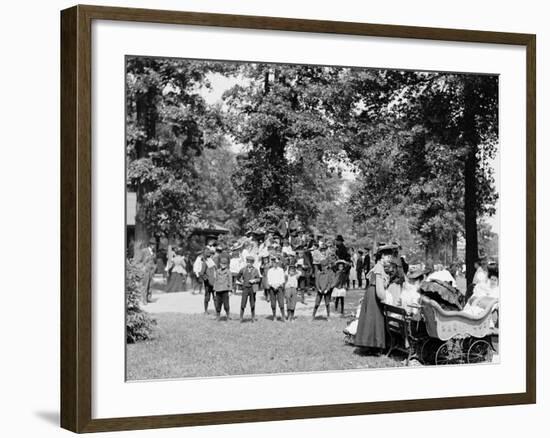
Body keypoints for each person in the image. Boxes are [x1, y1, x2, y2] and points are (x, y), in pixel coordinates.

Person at [354, 244, 396, 353]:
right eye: (388, 257)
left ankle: (371, 345)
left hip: (372, 293)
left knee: (372, 319)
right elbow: (379, 289)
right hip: (374, 294)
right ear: (382, 256)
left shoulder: (380, 267)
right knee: (373, 319)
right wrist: (385, 297)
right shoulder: (378, 268)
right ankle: (372, 345)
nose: (389, 259)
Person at [238, 255, 261, 322]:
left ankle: (253, 317)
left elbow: (259, 279)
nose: (249, 264)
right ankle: (241, 317)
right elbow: (238, 276)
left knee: (252, 303)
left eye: (250, 263)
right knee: (243, 303)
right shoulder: (243, 269)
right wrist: (241, 281)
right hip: (245, 288)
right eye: (248, 262)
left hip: (252, 288)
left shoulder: (255, 270)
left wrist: (254, 280)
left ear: (252, 263)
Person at [134, 240, 156, 304]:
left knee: (150, 284)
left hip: (151, 269)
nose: (154, 246)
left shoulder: (153, 252)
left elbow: (154, 260)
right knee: (145, 284)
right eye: (153, 244)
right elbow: (139, 260)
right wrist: (142, 267)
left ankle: (149, 298)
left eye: (154, 245)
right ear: (150, 245)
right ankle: (144, 299)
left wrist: (154, 267)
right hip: (146, 269)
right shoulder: (144, 251)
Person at [213, 256, 232, 321]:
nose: (222, 265)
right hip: (218, 290)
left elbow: (230, 281)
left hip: (225, 290)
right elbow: (215, 280)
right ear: (220, 264)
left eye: (224, 264)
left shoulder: (228, 272)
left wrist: (230, 290)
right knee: (218, 304)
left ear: (226, 265)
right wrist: (214, 290)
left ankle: (228, 315)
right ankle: (218, 315)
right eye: (221, 264)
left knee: (226, 304)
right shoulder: (217, 271)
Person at [267, 257, 286, 322]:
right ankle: (274, 316)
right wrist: (272, 285)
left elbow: (282, 279)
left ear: (278, 263)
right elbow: (269, 280)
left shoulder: (281, 270)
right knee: (273, 303)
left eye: (276, 263)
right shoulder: (270, 271)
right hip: (272, 288)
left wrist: (278, 285)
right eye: (273, 263)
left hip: (279, 287)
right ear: (272, 263)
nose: (274, 264)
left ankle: (283, 316)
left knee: (281, 302)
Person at [201, 248, 217, 315]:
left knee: (215, 297)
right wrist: (206, 280)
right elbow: (202, 273)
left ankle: (217, 311)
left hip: (214, 282)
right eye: (210, 254)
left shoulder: (213, 262)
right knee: (207, 297)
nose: (211, 256)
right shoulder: (205, 263)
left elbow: (216, 271)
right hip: (208, 283)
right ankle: (206, 310)